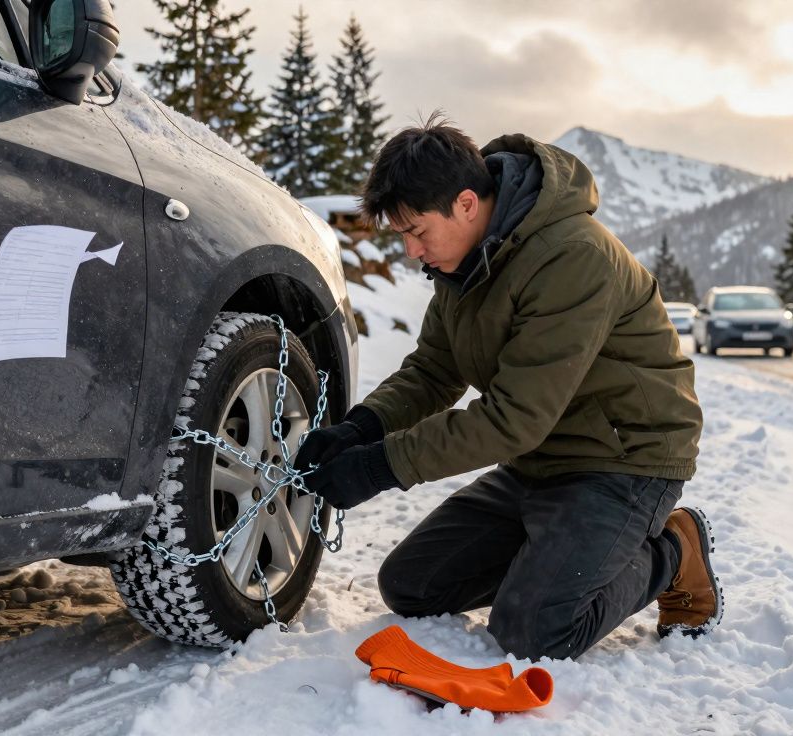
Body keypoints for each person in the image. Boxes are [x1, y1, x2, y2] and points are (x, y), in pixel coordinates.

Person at [298, 114, 717, 662]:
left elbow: (512, 419)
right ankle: (555, 555)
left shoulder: (573, 257)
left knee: (536, 633)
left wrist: (378, 466)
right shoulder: (465, 264)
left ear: (467, 203)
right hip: (539, 462)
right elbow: (433, 371)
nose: (411, 252)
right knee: (413, 586)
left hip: (623, 462)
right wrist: (361, 427)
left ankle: (671, 549)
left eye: (416, 231)